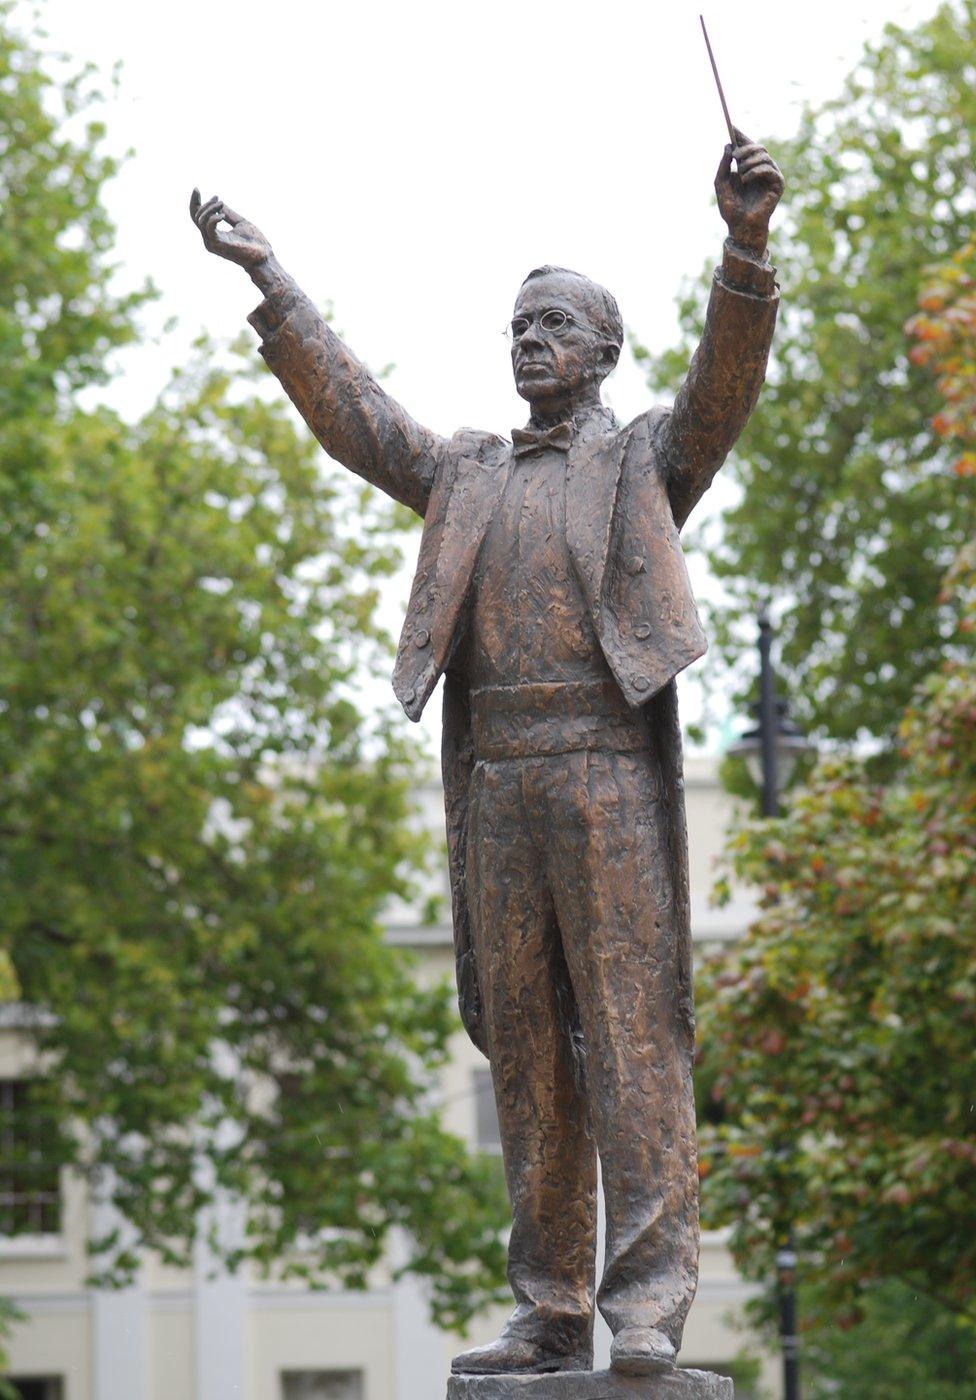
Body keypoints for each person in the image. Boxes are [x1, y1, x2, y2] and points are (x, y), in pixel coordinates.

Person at [190, 132, 783, 1379]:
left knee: (631, 1039)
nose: (529, 341)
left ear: (604, 350)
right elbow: (360, 422)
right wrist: (273, 285)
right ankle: (549, 1303)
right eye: (518, 326)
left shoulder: (642, 460)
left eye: (555, 324)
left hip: (607, 772)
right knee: (524, 1048)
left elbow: (723, 391)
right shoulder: (465, 470)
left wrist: (743, 246)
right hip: (496, 783)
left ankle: (645, 1303)